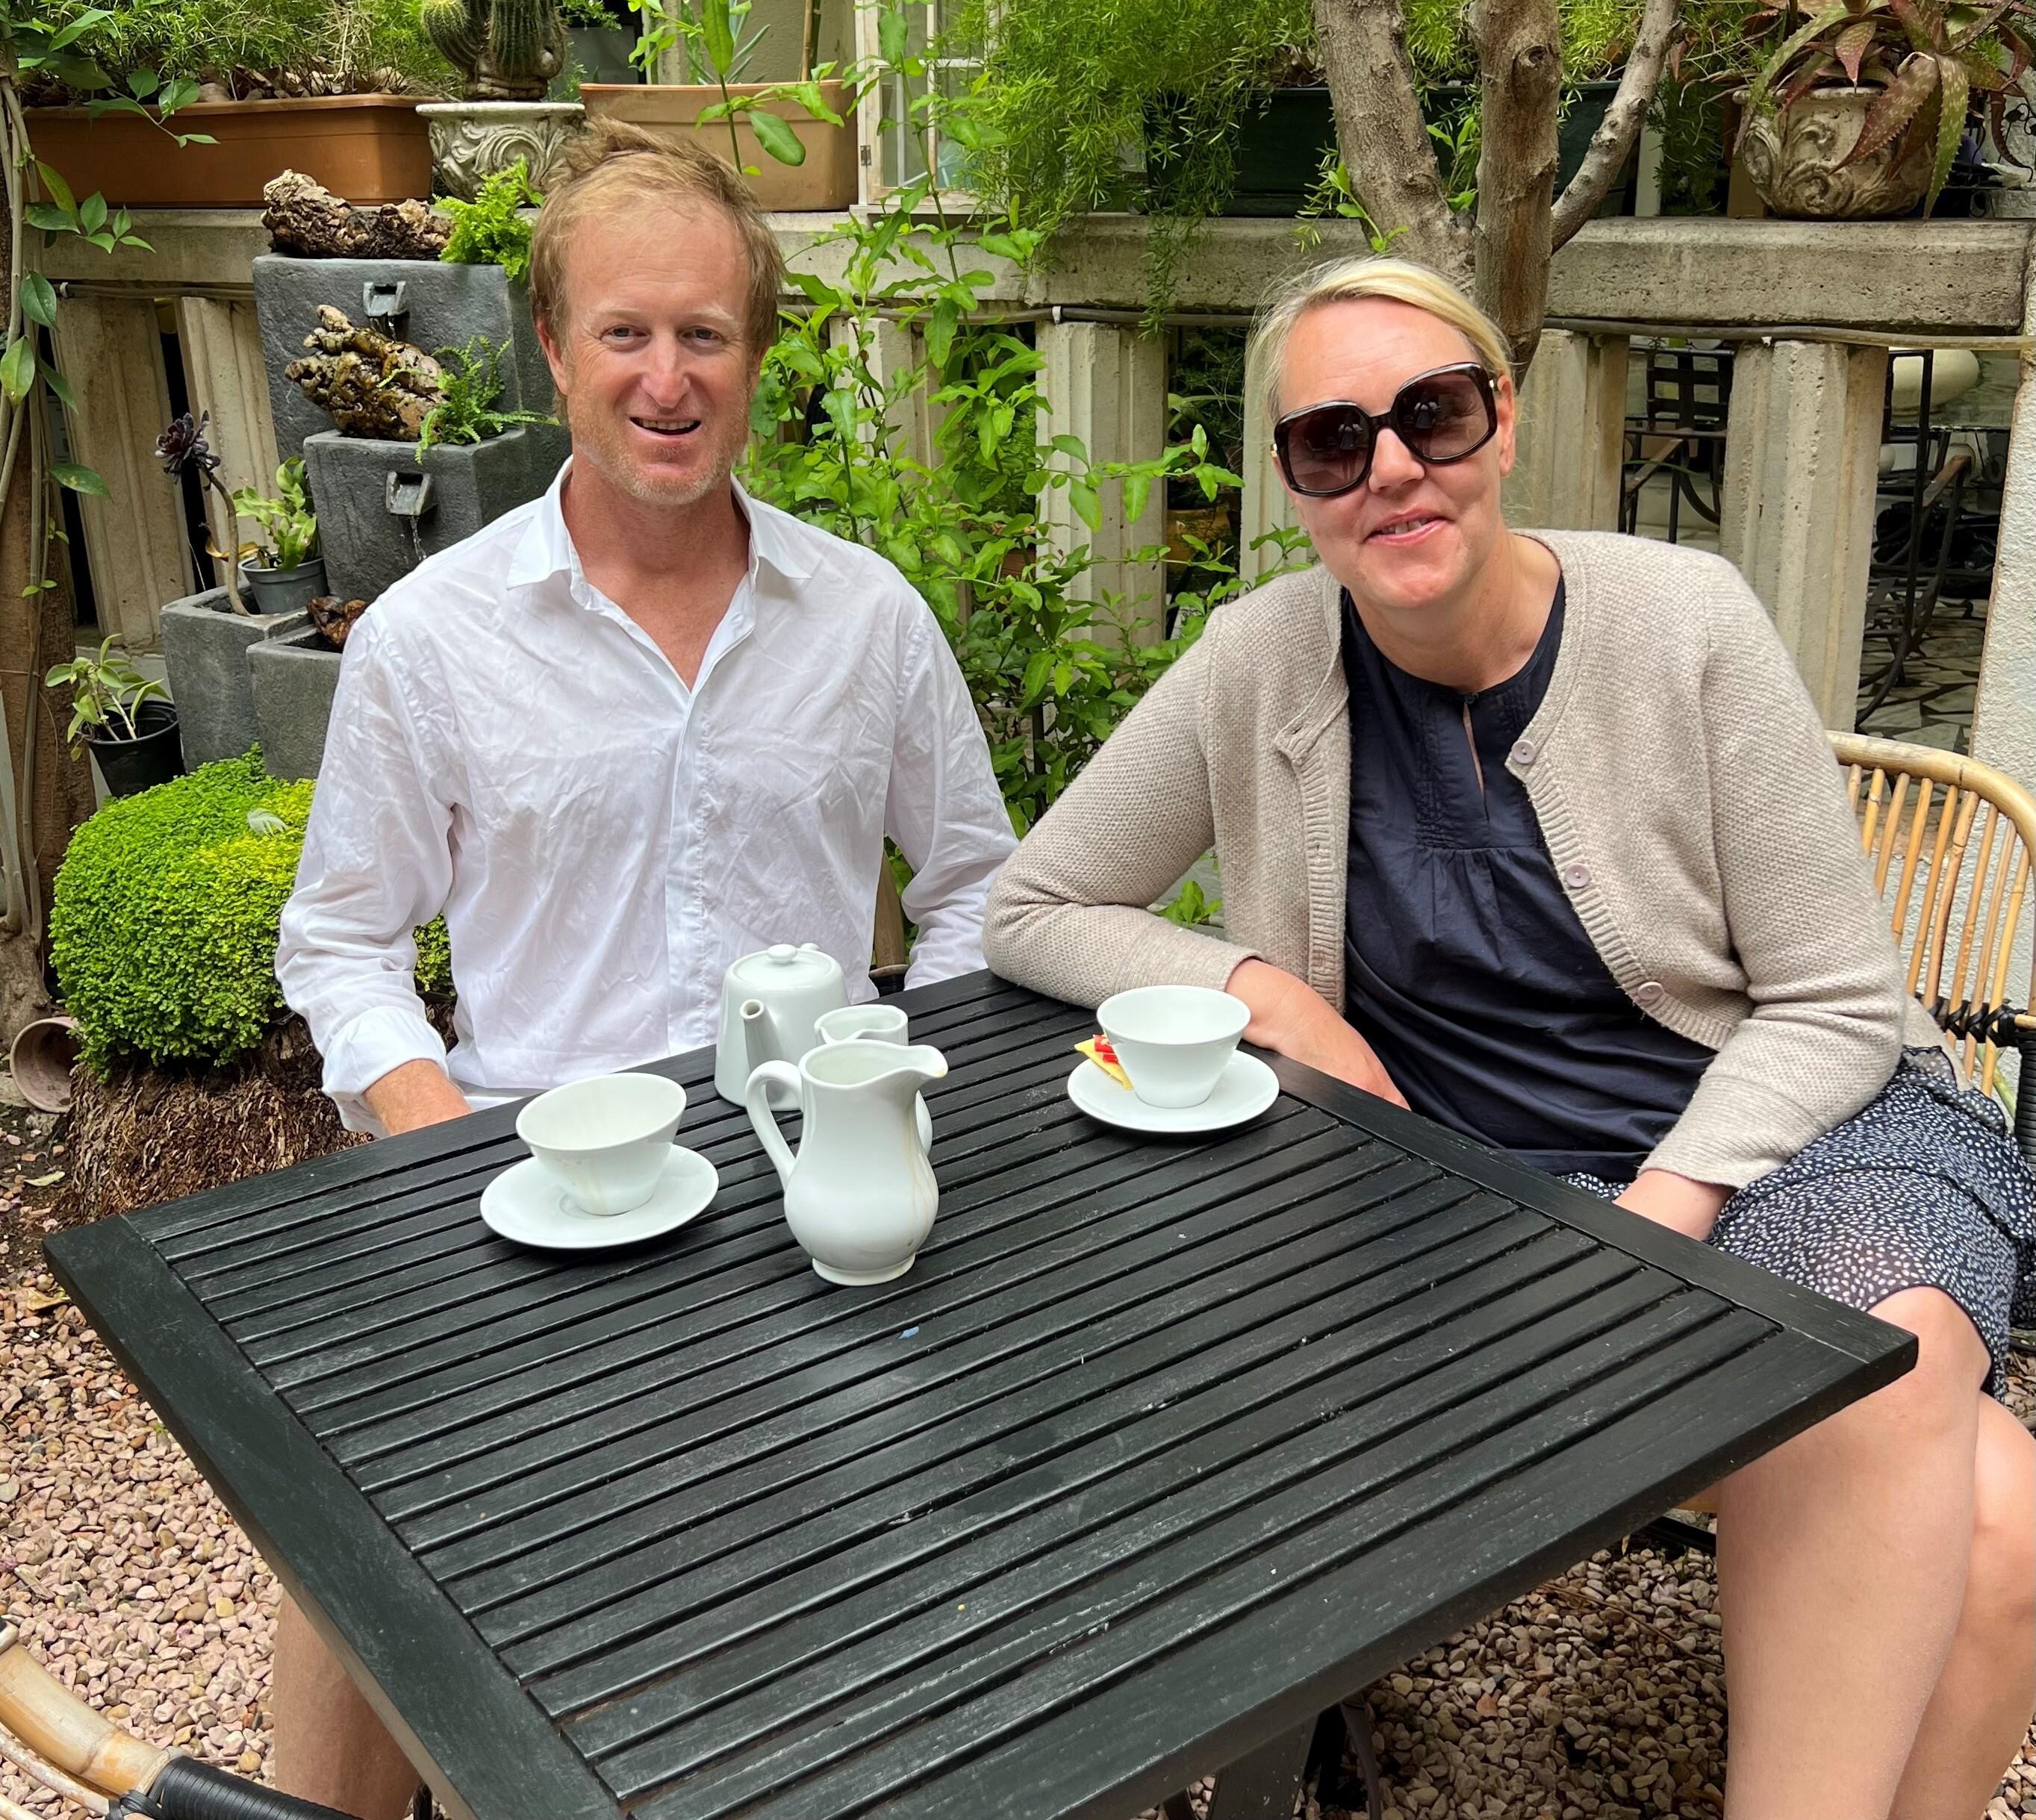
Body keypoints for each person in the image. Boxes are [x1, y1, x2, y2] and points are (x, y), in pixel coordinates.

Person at [985, 256, 2035, 1820]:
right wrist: (1265, 990)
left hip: (1807, 1120)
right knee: (2001, 1530)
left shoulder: (1679, 621)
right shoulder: (1259, 657)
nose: (1390, 465)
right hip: (1497, 1200)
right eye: (1330, 440)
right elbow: (1033, 907)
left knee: (1891, 1390)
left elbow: (1826, 1000)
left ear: (1501, 421)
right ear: (1292, 480)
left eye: (1430, 412)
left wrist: (1661, 1218)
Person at [271, 119, 1015, 1816]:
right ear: (550, 349)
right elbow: (342, 934)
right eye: (624, 331)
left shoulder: (869, 620)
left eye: (704, 333)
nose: (666, 378)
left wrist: (908, 1098)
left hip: (812, 1198)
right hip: (531, 1182)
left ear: (756, 356)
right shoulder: (428, 641)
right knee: (368, 1537)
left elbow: (975, 883)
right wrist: (427, 1118)